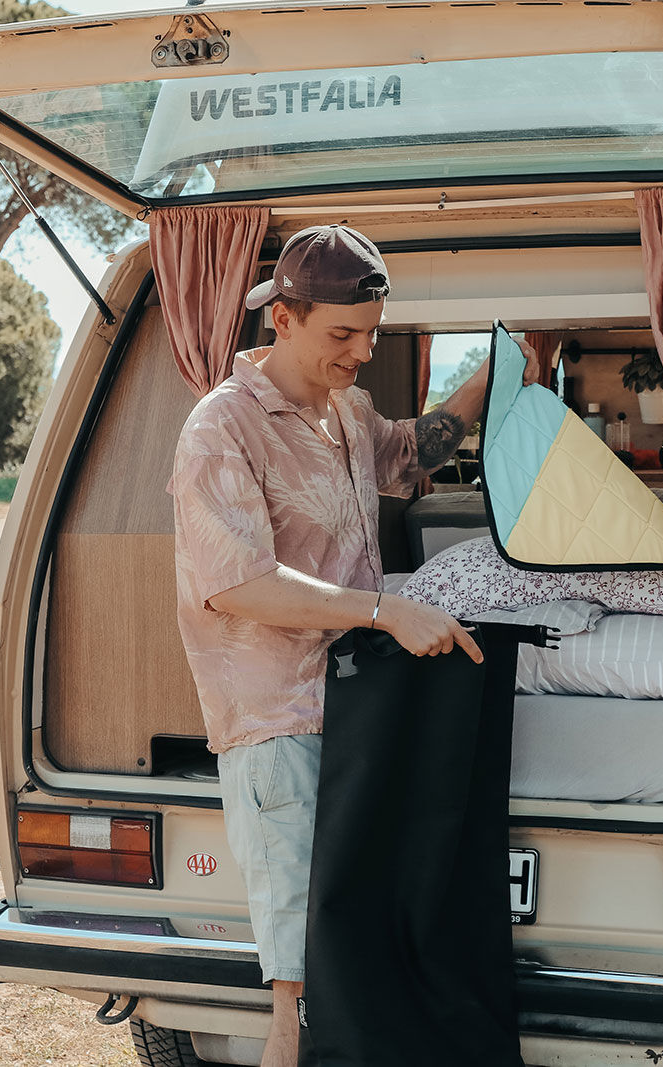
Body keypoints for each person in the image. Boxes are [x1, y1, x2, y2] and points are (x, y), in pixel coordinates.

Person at [167, 223, 539, 1067]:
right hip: (281, 726)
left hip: (362, 710)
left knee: (363, 976)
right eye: (344, 334)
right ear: (284, 317)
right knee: (302, 1000)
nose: (362, 351)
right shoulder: (220, 430)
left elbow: (411, 455)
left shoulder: (345, 410)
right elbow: (238, 585)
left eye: (372, 332)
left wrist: (502, 370)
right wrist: (385, 610)